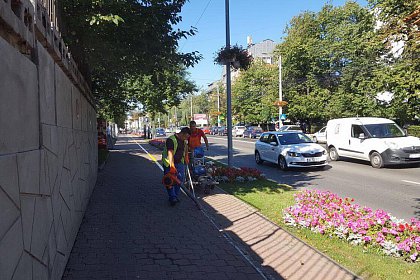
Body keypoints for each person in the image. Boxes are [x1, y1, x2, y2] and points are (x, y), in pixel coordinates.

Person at [161, 127, 191, 206]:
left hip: (179, 162)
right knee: (169, 180)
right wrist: (172, 166)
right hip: (169, 163)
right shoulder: (171, 140)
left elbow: (186, 148)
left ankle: (175, 195)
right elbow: (170, 153)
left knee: (180, 179)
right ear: (182, 133)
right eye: (186, 137)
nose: (186, 139)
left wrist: (186, 157)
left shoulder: (184, 141)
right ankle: (172, 197)